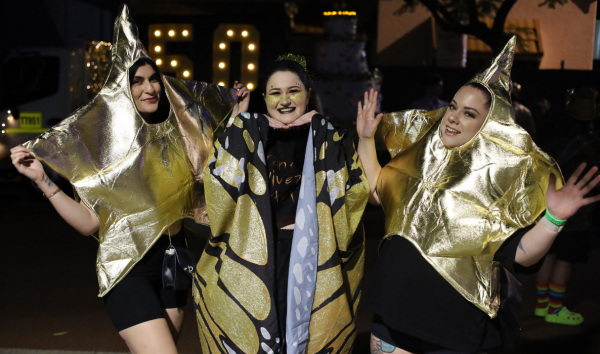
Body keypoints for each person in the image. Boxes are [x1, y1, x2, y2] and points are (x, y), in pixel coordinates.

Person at [10, 6, 248, 354]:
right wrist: (43, 180)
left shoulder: (181, 139)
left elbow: (222, 175)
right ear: (122, 90)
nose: (149, 87)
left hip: (176, 263)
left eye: (154, 79)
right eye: (137, 81)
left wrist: (237, 116)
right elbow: (89, 223)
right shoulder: (104, 154)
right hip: (128, 272)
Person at [356, 37, 600, 353]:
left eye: (469, 113)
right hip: (393, 320)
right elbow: (379, 192)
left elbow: (522, 253)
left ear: (489, 126)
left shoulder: (497, 186)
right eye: (453, 106)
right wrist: (365, 140)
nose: (453, 117)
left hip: (454, 331)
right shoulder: (419, 161)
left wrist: (554, 218)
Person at [193, 55, 369, 354]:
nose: (284, 100)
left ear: (308, 95)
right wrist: (238, 119)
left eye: (294, 91)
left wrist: (340, 133)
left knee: (307, 335)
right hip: (253, 253)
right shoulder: (248, 131)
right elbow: (216, 178)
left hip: (312, 251)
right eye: (275, 92)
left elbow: (354, 190)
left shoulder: (328, 135)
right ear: (265, 97)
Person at [534, 87, 600, 325]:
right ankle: (555, 309)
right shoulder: (594, 145)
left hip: (548, 207)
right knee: (565, 259)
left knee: (548, 254)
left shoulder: (553, 139)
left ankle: (542, 306)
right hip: (577, 214)